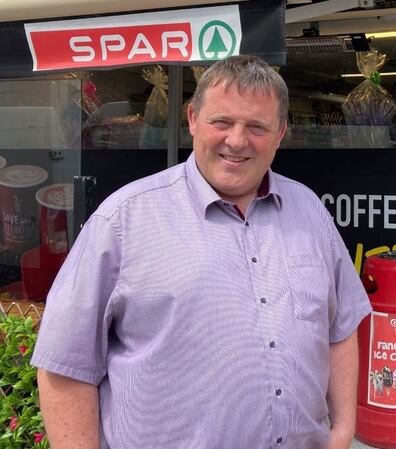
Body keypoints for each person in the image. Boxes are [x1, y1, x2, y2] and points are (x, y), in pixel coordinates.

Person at [32, 55, 372, 449]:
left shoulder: (310, 211)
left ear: (281, 133)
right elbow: (65, 367)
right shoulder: (124, 220)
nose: (237, 140)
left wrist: (343, 431)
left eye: (257, 127)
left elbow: (340, 327)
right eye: (222, 122)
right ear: (193, 118)